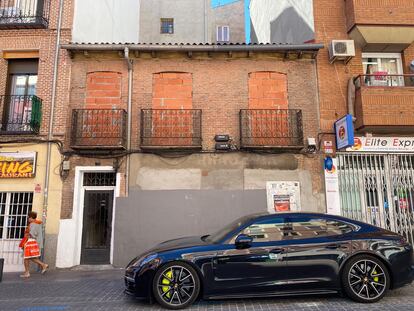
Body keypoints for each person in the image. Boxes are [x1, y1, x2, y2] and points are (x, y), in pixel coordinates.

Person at [19, 211, 48, 278]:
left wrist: (27, 234)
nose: (28, 219)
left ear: (31, 217)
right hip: (34, 243)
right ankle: (43, 265)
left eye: (28, 217)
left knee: (26, 257)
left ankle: (27, 272)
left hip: (30, 243)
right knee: (31, 257)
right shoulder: (37, 223)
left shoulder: (33, 224)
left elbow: (32, 234)